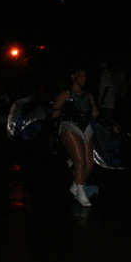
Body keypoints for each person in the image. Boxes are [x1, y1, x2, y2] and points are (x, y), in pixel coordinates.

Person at [51, 67, 102, 207]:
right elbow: (54, 109)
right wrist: (55, 112)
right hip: (69, 126)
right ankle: (81, 193)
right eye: (80, 76)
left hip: (85, 127)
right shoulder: (65, 94)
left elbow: (96, 114)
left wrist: (110, 125)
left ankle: (76, 185)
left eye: (85, 76)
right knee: (79, 161)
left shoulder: (88, 95)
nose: (83, 79)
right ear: (73, 77)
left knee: (89, 163)